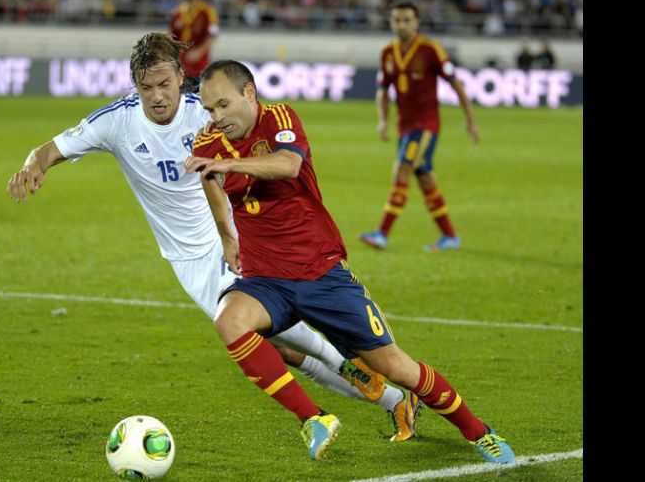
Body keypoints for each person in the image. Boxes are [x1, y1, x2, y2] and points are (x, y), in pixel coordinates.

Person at [5, 32, 420, 442]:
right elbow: (48, 149)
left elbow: (252, 141)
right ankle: (389, 396)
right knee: (282, 350)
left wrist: (236, 227)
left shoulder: (204, 112)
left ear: (181, 78)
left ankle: (368, 392)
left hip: (237, 242)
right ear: (135, 85)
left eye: (165, 84)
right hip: (187, 262)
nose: (157, 96)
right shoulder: (116, 121)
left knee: (282, 336)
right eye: (146, 87)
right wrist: (32, 166)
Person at [185, 59, 515, 463]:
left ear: (249, 93)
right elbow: (210, 180)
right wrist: (226, 235)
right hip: (265, 278)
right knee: (229, 321)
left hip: (321, 273)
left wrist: (228, 164)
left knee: (397, 368)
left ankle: (479, 432)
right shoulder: (207, 143)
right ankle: (313, 419)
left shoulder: (279, 117)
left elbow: (289, 165)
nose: (216, 118)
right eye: (209, 110)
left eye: (223, 106)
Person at [359, 0, 479, 252]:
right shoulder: (387, 53)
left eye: (406, 20)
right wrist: (383, 120)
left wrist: (470, 121)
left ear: (416, 23)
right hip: (404, 126)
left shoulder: (430, 49)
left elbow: (456, 85)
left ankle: (382, 233)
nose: (401, 24)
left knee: (402, 169)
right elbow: (382, 90)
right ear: (391, 22)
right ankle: (450, 236)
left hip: (425, 126)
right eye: (397, 20)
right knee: (425, 179)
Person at [169, 0, 219, 87]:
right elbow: (171, 36)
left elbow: (212, 35)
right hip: (181, 65)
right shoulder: (177, 13)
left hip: (199, 65)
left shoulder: (207, 11)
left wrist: (198, 52)